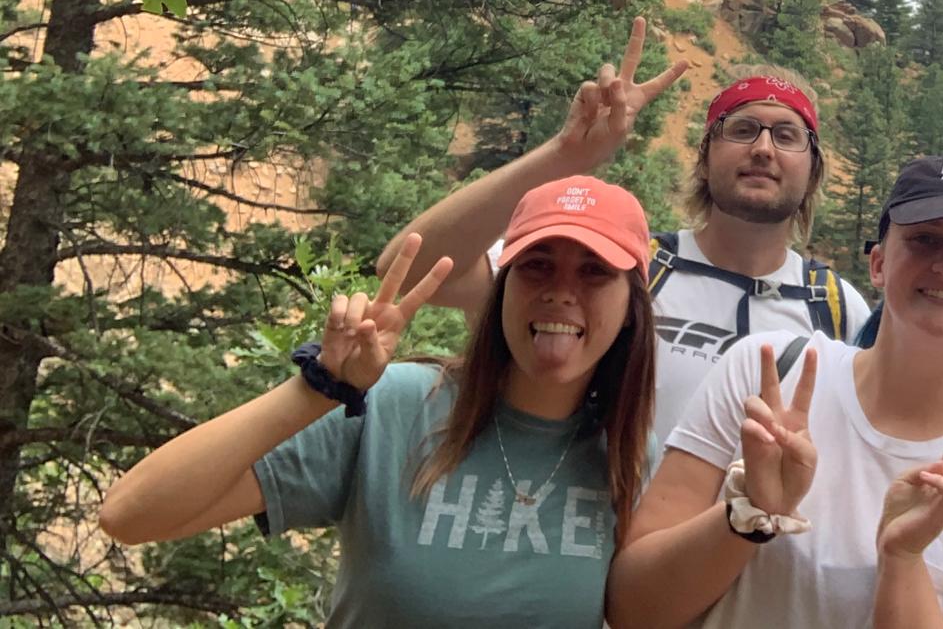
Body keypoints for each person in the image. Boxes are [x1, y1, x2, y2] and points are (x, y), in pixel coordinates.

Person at [99, 176, 660, 628]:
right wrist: (318, 388)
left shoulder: (631, 455)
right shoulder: (395, 406)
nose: (561, 290)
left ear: (631, 306)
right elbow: (130, 513)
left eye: (594, 272)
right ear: (501, 288)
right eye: (537, 264)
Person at [606, 155, 943, 629]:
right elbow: (632, 608)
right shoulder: (763, 376)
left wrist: (904, 557)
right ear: (879, 263)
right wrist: (748, 514)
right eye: (925, 239)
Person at [380, 15, 871, 438]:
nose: (762, 148)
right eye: (741, 130)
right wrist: (567, 155)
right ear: (703, 160)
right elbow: (412, 268)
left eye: (786, 135)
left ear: (814, 170)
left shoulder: (835, 305)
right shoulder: (624, 265)